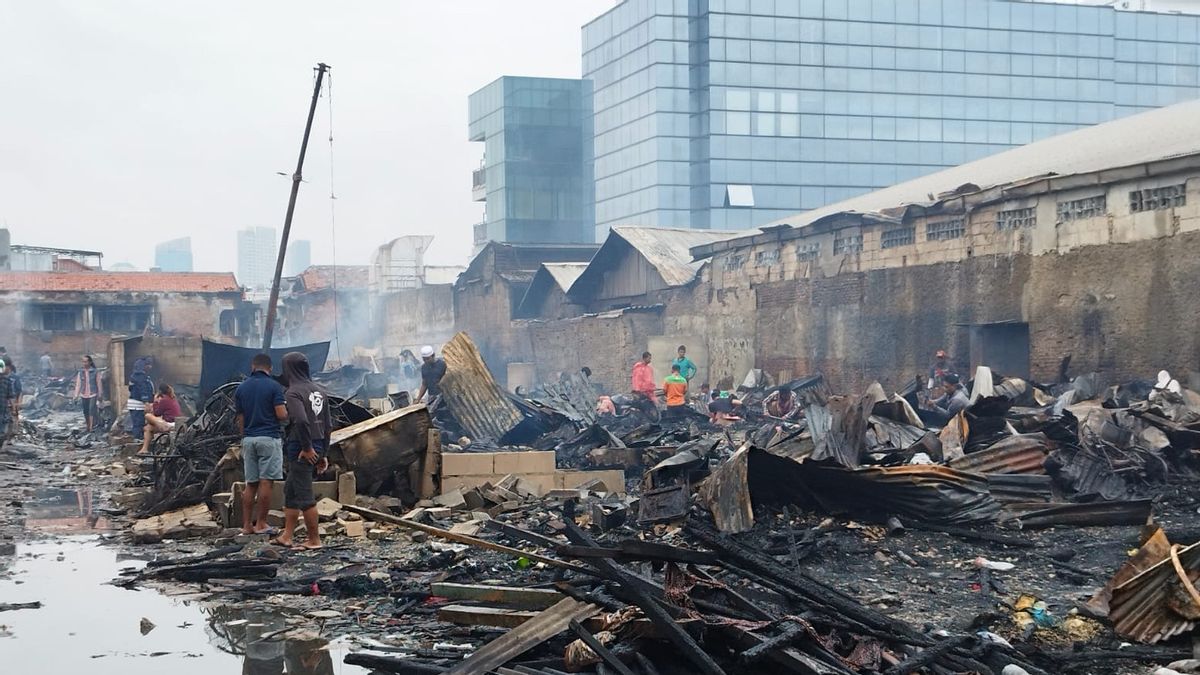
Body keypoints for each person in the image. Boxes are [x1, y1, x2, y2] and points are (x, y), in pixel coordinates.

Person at [275, 352, 331, 551]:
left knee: (305, 494)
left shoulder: (293, 392)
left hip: (301, 447)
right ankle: (287, 535)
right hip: (315, 445)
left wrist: (307, 448)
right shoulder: (320, 391)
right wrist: (323, 453)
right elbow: (327, 425)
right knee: (291, 490)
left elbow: (300, 420)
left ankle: (314, 540)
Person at [234, 353, 287, 536]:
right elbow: (281, 414)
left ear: (253, 366)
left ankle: (247, 526)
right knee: (266, 482)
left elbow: (240, 419)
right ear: (270, 368)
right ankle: (261, 524)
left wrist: (244, 436)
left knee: (251, 484)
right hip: (269, 438)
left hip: (248, 440)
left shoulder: (241, 388)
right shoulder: (274, 386)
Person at [140, 384, 181, 454]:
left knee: (148, 415)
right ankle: (144, 449)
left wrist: (155, 402)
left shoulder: (164, 400)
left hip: (170, 424)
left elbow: (156, 413)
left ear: (160, 392)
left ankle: (163, 426)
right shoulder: (172, 399)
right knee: (148, 428)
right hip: (172, 423)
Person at [126, 357, 155, 441]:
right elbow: (143, 390)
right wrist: (146, 402)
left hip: (137, 404)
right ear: (143, 366)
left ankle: (139, 438)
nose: (150, 367)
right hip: (137, 405)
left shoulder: (135, 376)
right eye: (148, 365)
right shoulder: (140, 377)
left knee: (139, 421)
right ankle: (138, 439)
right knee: (138, 422)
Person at [73, 355, 102, 432]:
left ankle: (91, 427)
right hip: (83, 394)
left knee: (91, 410)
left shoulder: (95, 372)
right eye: (83, 362)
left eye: (86, 361)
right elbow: (78, 384)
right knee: (85, 411)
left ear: (90, 362)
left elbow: (99, 383)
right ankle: (88, 425)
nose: (84, 363)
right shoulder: (81, 372)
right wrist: (76, 395)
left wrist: (100, 394)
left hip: (93, 393)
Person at [0, 360, 14, 447]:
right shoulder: (7, 380)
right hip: (2, 409)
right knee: (1, 430)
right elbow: (11, 397)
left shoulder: (7, 380)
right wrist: (13, 409)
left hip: (2, 409)